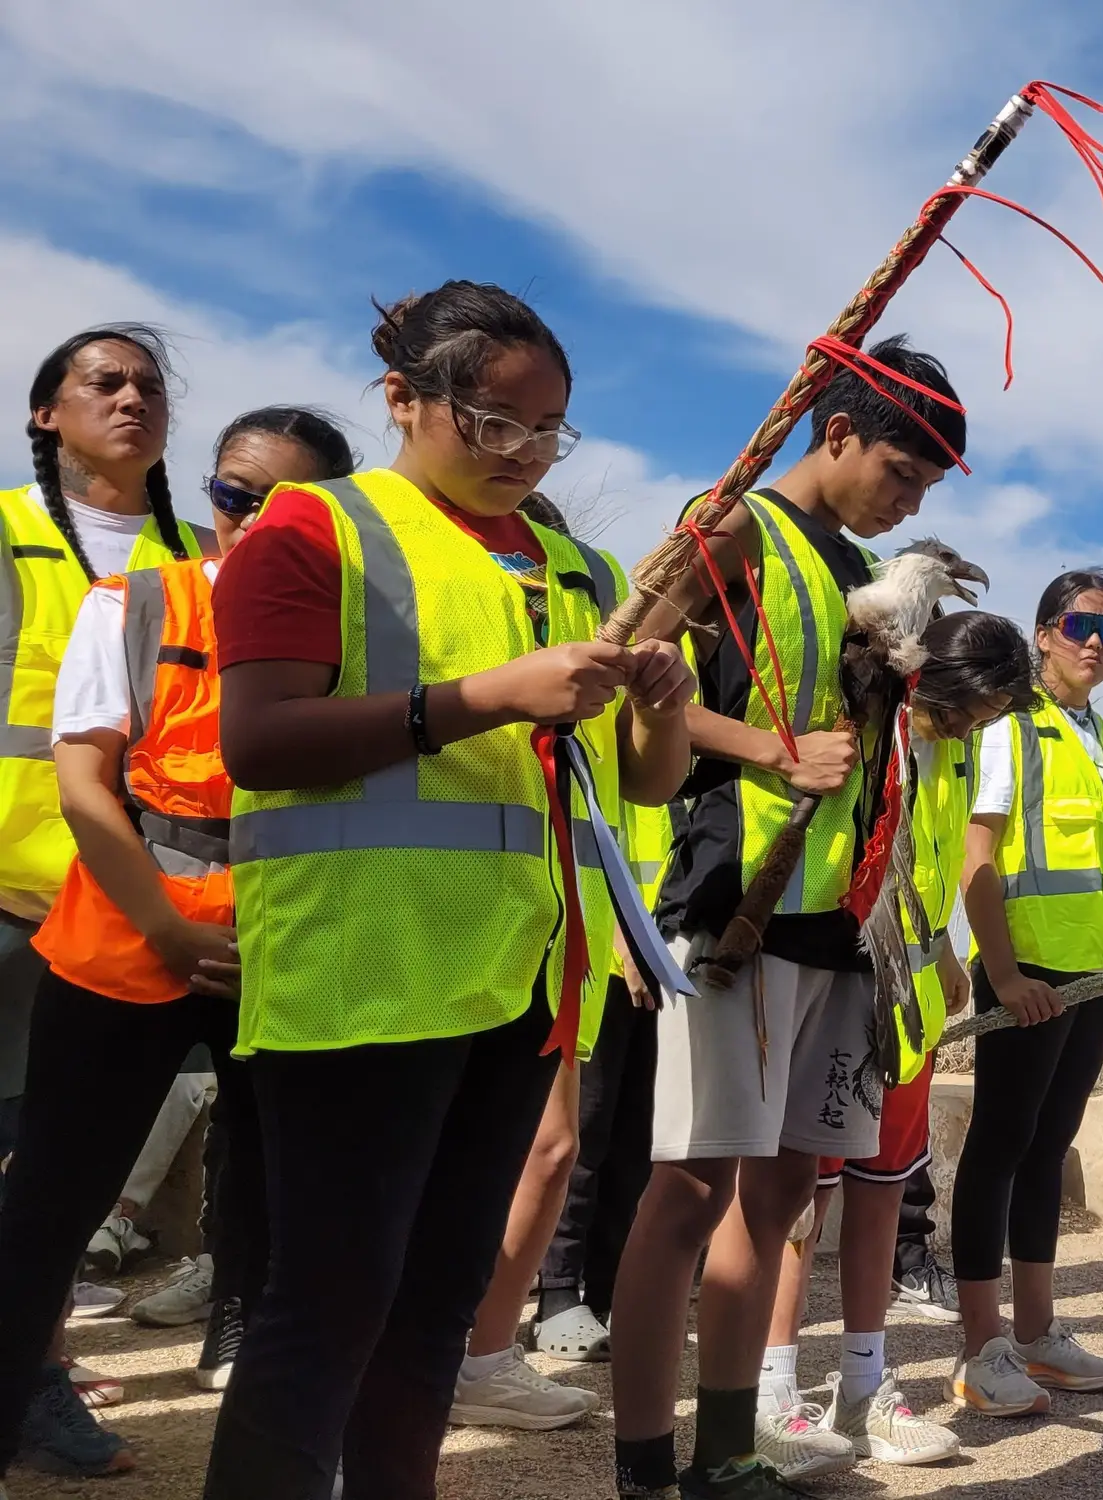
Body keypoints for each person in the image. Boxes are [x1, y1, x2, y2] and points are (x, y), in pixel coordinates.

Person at [205, 281, 694, 1499]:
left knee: (434, 1315)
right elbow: (257, 743)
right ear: (405, 399)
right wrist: (481, 699)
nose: (526, 456)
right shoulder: (314, 528)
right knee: (324, 1311)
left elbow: (637, 780)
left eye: (550, 432)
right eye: (496, 424)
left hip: (519, 984)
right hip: (358, 977)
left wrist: (664, 707)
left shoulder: (574, 565)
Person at [610, 334, 967, 1499]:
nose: (907, 499)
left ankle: (731, 1446)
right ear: (837, 433)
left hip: (840, 929)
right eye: (900, 471)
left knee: (779, 1196)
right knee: (691, 1190)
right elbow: (626, 676)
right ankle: (647, 1463)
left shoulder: (860, 570)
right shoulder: (732, 531)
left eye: (924, 488)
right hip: (734, 911)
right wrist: (768, 749)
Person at [0, 403, 352, 1486]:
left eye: (280, 503)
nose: (245, 519)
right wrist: (158, 919)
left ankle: (261, 1431)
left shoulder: (357, 632)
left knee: (280, 1205)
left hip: (285, 942)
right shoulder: (139, 601)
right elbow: (83, 780)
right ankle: (15, 1399)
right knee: (52, 1195)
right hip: (126, 933)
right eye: (231, 493)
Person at [745, 609, 1035, 1475]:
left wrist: (942, 953)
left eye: (990, 719)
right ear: (932, 684)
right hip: (836, 995)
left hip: (905, 1013)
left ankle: (866, 1384)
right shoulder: (878, 731)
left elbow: (930, 862)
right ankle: (772, 1393)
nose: (977, 728)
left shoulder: (954, 749)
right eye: (971, 710)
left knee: (881, 1189)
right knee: (802, 1202)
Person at [445, 495, 645, 1433]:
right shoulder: (435, 617)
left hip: (564, 924)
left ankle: (482, 1356)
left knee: (553, 1147)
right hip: (444, 919)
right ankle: (389, 1367)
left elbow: (631, 787)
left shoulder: (593, 637)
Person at [949, 569, 1103, 1417]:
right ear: (1042, 633)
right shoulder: (1009, 728)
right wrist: (1001, 974)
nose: (1095, 643)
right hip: (1029, 978)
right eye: (1078, 624)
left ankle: (1037, 1338)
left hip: (1099, 981)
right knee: (997, 1148)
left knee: (1048, 1147)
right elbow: (977, 858)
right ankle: (979, 1349)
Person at [526, 797, 676, 1367]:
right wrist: (622, 936)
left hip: (662, 962)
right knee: (582, 1133)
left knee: (638, 1138)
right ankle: (558, 1293)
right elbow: (580, 836)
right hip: (598, 961)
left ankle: (610, 1292)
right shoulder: (605, 724)